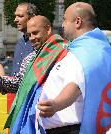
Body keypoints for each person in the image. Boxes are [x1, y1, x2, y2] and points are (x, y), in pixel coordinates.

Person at [36, 2, 111, 134]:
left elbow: (76, 84)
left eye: (64, 19)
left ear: (77, 22)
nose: (62, 25)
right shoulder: (99, 48)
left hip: (71, 129)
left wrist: (55, 105)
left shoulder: (86, 53)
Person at [0, 15, 68, 133]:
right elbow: (18, 84)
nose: (32, 38)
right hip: (31, 120)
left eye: (35, 33)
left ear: (48, 29)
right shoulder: (29, 59)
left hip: (58, 120)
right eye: (29, 35)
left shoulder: (64, 51)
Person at [12, 2, 38, 76]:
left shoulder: (40, 43)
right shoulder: (19, 43)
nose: (15, 20)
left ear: (32, 18)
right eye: (15, 16)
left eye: (20, 16)